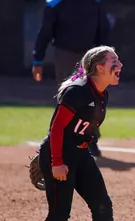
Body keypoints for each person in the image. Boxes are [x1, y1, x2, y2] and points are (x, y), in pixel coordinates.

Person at [37, 46, 135, 221]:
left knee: (102, 203)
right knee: (59, 213)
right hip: (61, 157)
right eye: (114, 62)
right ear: (99, 67)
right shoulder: (77, 92)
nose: (120, 66)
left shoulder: (101, 92)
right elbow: (56, 129)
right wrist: (56, 163)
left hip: (80, 154)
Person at [32, 0, 111, 156]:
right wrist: (37, 60)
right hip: (65, 55)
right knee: (70, 98)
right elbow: (45, 32)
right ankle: (64, 141)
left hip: (89, 56)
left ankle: (90, 140)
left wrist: (104, 58)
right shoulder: (56, 4)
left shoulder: (94, 4)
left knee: (91, 98)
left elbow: (104, 31)